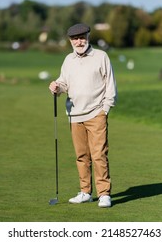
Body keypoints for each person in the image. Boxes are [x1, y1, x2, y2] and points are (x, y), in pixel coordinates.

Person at [49, 23, 117, 208]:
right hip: (75, 115)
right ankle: (85, 191)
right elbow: (64, 83)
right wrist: (57, 87)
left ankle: (104, 194)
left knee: (99, 155)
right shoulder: (68, 60)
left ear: (88, 37)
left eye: (82, 37)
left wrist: (105, 109)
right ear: (70, 41)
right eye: (75, 39)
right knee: (81, 156)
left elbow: (110, 84)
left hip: (96, 113)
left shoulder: (101, 57)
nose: (79, 42)